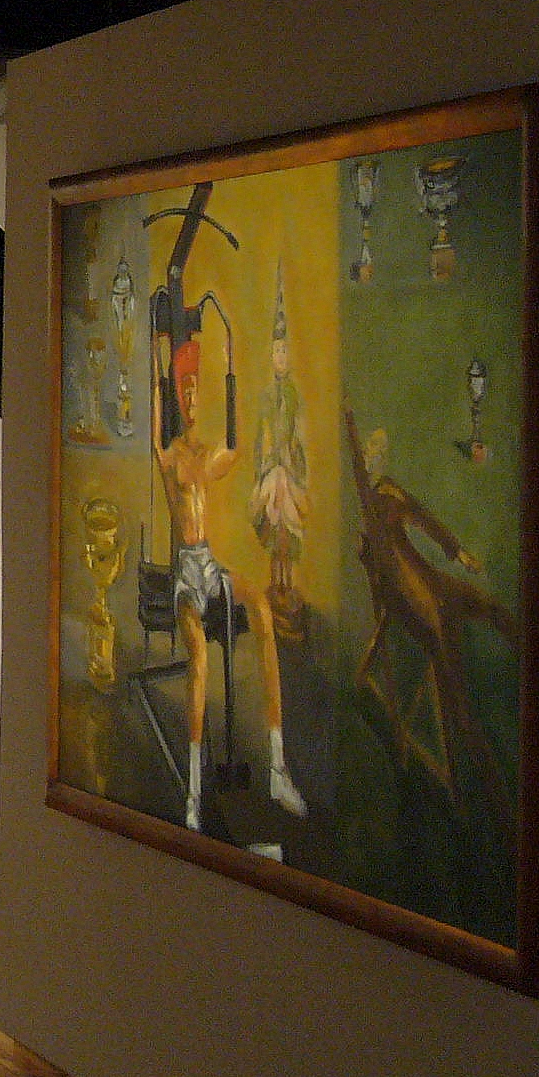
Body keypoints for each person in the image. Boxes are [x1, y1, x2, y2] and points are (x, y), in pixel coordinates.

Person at [153, 334, 306, 829]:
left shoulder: (205, 455)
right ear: (177, 398)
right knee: (199, 658)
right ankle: (194, 793)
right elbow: (157, 421)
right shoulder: (169, 456)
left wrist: (233, 371)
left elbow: (236, 447)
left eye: (197, 393)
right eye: (185, 393)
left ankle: (277, 768)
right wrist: (159, 357)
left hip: (210, 564)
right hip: (186, 574)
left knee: (260, 608)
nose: (192, 401)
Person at [344, 410, 519, 794]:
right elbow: (377, 566)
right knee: (452, 682)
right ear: (365, 457)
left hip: (428, 579)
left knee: (490, 608)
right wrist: (369, 558)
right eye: (372, 449)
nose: (377, 455)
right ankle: (479, 771)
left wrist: (459, 553)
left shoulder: (390, 491)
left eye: (381, 450)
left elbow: (423, 519)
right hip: (408, 597)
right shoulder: (367, 505)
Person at [249, 267, 309, 638]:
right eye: (276, 351)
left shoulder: (294, 396)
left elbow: (299, 435)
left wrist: (291, 456)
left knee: (289, 529)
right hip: (273, 469)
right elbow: (262, 437)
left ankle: (288, 584)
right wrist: (269, 461)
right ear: (270, 356)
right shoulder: (266, 397)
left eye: (284, 351)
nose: (280, 356)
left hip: (288, 467)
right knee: (273, 529)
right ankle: (275, 584)